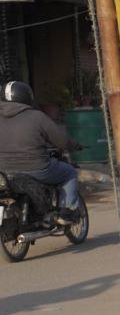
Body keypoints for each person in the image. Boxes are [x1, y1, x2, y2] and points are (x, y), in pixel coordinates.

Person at [0, 80, 81, 223]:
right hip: (36, 168)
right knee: (69, 172)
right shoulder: (37, 117)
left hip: (4, 171)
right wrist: (75, 145)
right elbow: (61, 141)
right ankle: (66, 213)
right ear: (27, 97)